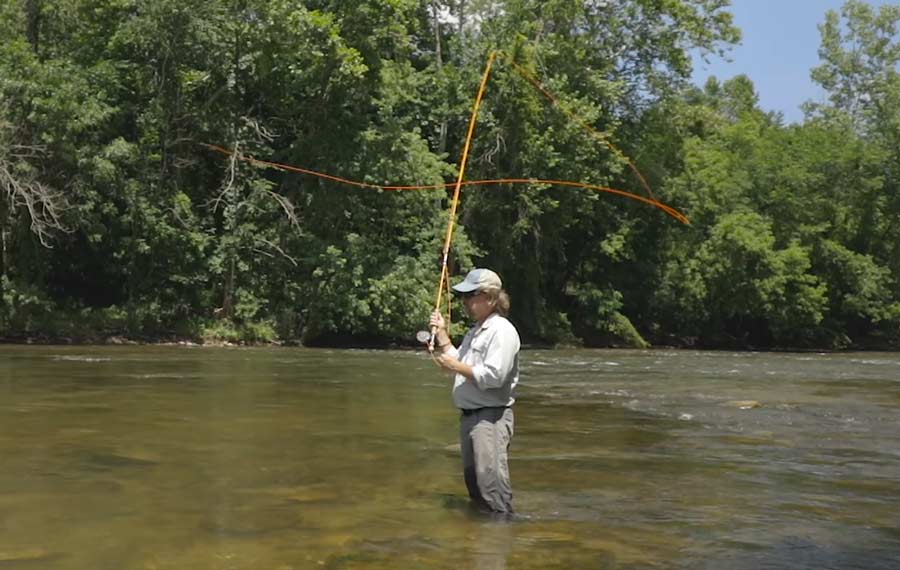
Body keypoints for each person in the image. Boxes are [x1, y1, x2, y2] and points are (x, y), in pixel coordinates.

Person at [429, 268, 520, 514]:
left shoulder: (501, 331)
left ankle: (498, 540)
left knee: (491, 488)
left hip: (491, 418)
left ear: (490, 298)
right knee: (475, 485)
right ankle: (479, 540)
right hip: (471, 417)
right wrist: (442, 336)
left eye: (471, 295)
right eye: (464, 296)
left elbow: (494, 376)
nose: (465, 301)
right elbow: (461, 361)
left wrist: (456, 367)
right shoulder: (476, 330)